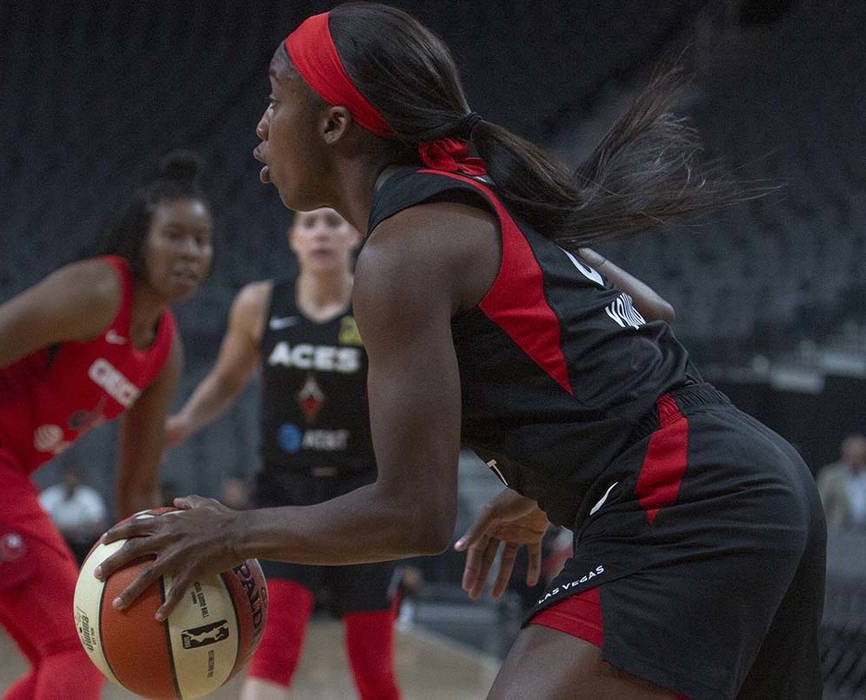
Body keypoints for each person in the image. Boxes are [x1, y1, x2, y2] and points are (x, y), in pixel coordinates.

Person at [96, 6, 825, 700]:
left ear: (334, 125)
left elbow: (413, 515)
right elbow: (648, 312)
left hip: (689, 494)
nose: (259, 125)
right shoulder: (476, 195)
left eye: (275, 99)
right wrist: (548, 473)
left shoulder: (402, 252)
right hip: (750, 470)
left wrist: (236, 530)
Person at [0, 151, 213, 700]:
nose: (191, 253)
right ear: (139, 239)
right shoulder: (97, 291)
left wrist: (153, 571)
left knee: (63, 653)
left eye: (201, 240)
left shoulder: (165, 349)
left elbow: (137, 487)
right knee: (77, 649)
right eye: (174, 236)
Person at [165, 208, 403, 699]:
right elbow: (229, 378)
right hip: (284, 491)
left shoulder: (377, 300)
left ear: (354, 236)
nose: (321, 233)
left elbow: (406, 386)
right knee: (274, 649)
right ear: (293, 238)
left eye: (333, 223)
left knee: (373, 664)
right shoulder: (259, 302)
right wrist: (186, 419)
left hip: (361, 490)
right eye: (310, 224)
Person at [38, 463, 108, 562]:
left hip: (82, 546)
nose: (71, 480)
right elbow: (40, 523)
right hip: (56, 544)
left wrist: (70, 530)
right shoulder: (50, 496)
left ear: (79, 479)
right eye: (68, 477)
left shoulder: (89, 497)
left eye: (74, 477)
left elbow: (100, 525)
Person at [817, 433, 866, 531]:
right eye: (852, 456)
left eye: (859, 456)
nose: (855, 460)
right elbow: (820, 506)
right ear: (844, 454)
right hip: (837, 534)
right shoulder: (830, 476)